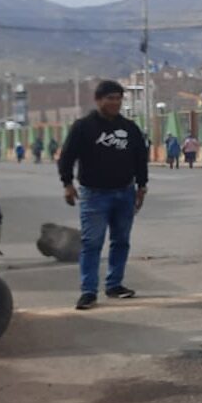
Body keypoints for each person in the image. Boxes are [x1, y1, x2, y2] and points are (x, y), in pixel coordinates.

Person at [58, 80, 149, 311]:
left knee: (121, 241)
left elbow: (140, 158)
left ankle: (114, 285)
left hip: (125, 193)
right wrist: (67, 184)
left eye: (119, 98)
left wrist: (142, 186)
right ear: (98, 100)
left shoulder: (130, 129)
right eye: (110, 98)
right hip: (93, 195)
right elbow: (67, 157)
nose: (115, 102)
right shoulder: (83, 127)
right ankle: (88, 291)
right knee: (92, 243)